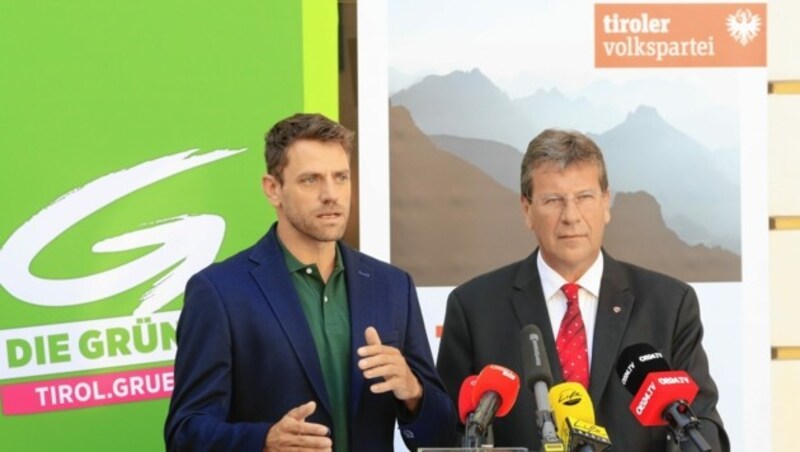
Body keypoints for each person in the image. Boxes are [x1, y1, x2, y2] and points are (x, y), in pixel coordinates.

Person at [165, 113, 456, 451]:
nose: (331, 194)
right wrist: (263, 441)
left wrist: (413, 392)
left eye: (341, 177)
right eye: (311, 180)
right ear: (273, 190)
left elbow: (440, 436)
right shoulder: (219, 292)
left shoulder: (392, 286)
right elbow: (185, 434)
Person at [436, 129, 728, 451]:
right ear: (526, 209)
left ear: (606, 203)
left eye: (584, 197)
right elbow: (450, 433)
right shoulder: (475, 308)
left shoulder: (669, 305)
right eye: (553, 200)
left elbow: (704, 427)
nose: (571, 217)